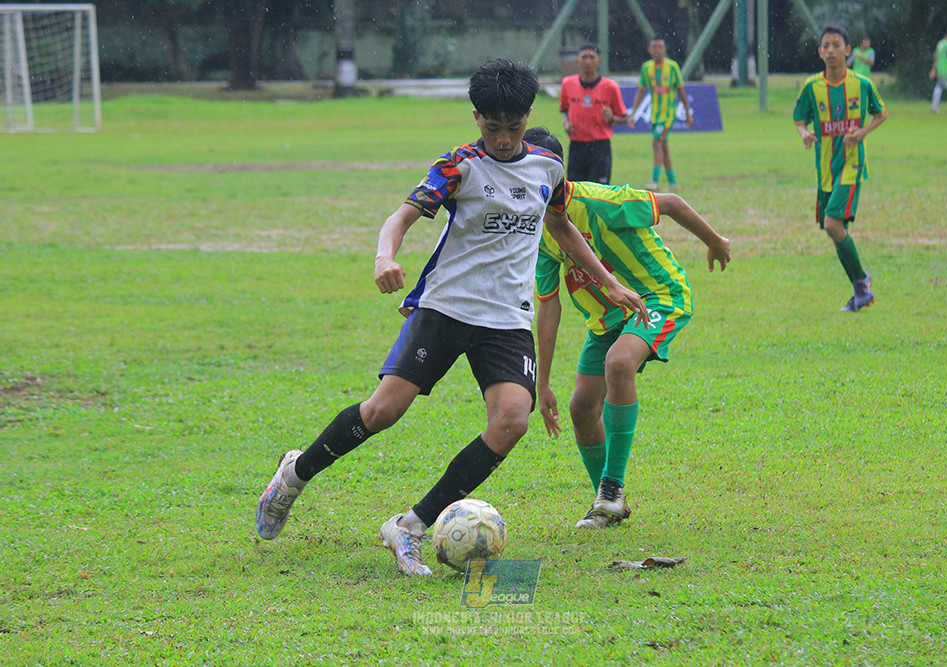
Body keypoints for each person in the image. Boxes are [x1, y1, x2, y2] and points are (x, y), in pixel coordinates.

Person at [254, 59, 648, 576]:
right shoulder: (459, 166)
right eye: (492, 127)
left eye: (513, 127)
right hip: (446, 307)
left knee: (511, 421)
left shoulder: (549, 168)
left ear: (528, 116)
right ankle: (293, 476)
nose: (504, 139)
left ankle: (410, 527)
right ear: (476, 118)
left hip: (507, 317)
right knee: (382, 413)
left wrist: (609, 282)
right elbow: (402, 216)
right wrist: (384, 256)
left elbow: (562, 226)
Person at [525, 127, 730, 529]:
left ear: (554, 172)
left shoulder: (600, 202)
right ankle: (608, 505)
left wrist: (715, 240)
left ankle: (611, 488)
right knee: (581, 408)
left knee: (619, 364)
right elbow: (548, 308)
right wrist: (542, 382)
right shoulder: (539, 231)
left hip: (658, 296)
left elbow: (669, 203)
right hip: (606, 321)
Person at [793, 26, 888, 313]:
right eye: (826, 45)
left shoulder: (862, 84)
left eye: (836, 45)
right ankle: (860, 291)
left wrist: (862, 133)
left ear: (848, 50)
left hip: (852, 164)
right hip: (825, 170)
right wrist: (804, 134)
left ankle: (862, 281)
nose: (831, 50)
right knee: (835, 229)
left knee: (833, 224)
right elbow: (799, 119)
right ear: (820, 52)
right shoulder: (812, 87)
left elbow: (881, 113)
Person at [628, 38, 693, 192]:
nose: (657, 50)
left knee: (657, 143)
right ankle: (673, 182)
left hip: (668, 115)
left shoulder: (672, 67)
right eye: (654, 47)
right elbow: (641, 90)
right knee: (663, 146)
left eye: (660, 47)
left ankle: (655, 181)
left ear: (664, 49)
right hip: (655, 115)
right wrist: (633, 113)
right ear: (649, 50)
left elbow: (681, 90)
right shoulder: (646, 68)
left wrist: (688, 113)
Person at [559, 43, 628, 184]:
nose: (588, 61)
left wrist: (612, 118)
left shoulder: (610, 87)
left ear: (599, 62)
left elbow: (624, 118)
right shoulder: (567, 84)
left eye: (592, 57)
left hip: (600, 147)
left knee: (600, 193)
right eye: (584, 57)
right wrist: (566, 123)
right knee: (575, 193)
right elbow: (564, 110)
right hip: (577, 146)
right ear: (577, 61)